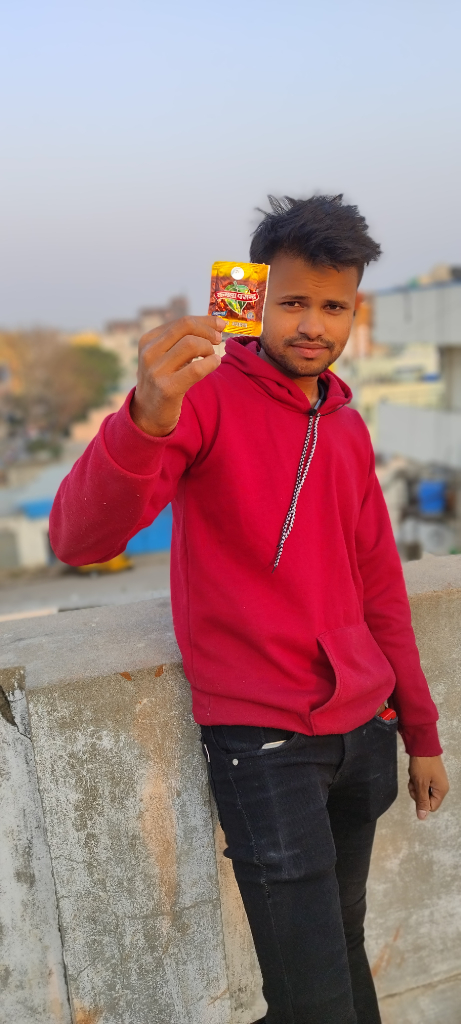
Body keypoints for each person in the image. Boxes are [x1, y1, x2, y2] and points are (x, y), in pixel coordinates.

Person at [50, 194, 449, 1024]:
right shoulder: (200, 398)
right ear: (253, 298)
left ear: (353, 312)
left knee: (343, 943)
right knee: (309, 998)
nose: (313, 324)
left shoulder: (344, 422)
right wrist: (146, 418)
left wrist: (419, 731)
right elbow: (78, 541)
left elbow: (379, 586)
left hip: (362, 732)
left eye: (332, 306)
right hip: (264, 745)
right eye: (293, 301)